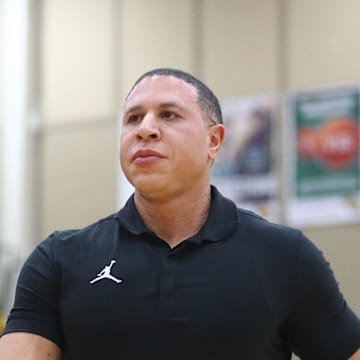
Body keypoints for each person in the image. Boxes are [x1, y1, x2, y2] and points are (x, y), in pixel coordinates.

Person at [0, 68, 359, 360]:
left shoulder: (285, 255)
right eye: (133, 118)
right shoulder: (59, 259)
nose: (145, 129)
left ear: (214, 141)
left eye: (168, 115)